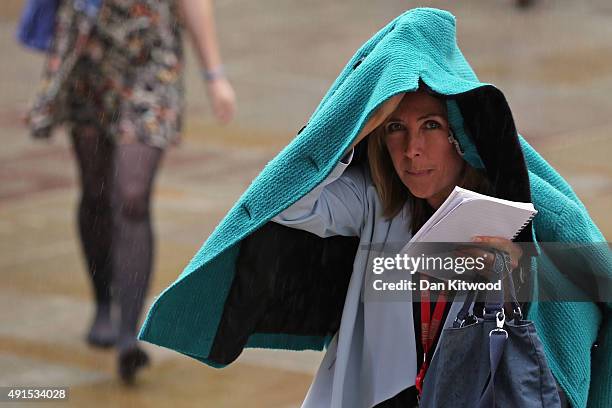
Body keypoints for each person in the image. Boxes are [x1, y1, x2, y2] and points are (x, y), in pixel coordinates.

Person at [138, 7, 610, 408]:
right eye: (395, 129)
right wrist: (362, 120)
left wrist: (515, 273)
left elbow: (589, 281)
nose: (412, 150)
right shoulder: (376, 201)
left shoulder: (511, 204)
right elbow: (286, 203)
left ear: (461, 135)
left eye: (430, 125)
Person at [24, 0, 236, 383]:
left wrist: (214, 74)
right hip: (89, 51)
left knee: (132, 196)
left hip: (150, 57)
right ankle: (103, 302)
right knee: (95, 192)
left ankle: (128, 337)